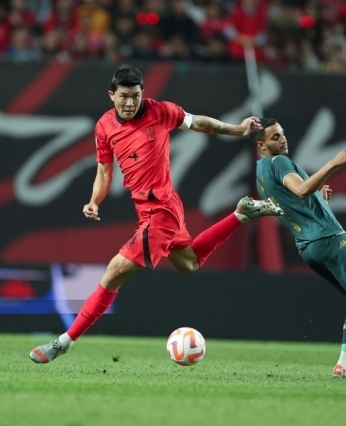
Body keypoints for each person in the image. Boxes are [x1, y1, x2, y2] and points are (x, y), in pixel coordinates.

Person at [29, 65, 283, 363]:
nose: (129, 103)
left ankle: (64, 342)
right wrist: (94, 200)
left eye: (135, 96)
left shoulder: (161, 111)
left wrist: (237, 129)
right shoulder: (104, 127)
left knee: (112, 273)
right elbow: (103, 170)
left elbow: (201, 123)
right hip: (149, 211)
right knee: (188, 264)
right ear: (112, 96)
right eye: (123, 96)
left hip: (161, 209)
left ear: (142, 94)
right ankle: (241, 214)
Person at [250, 118, 346, 381]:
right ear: (262, 145)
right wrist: (333, 163)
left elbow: (292, 202)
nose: (283, 139)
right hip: (328, 237)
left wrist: (318, 199)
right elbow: (301, 190)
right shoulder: (278, 162)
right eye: (275, 137)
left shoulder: (261, 172)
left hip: (308, 246)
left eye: (282, 133)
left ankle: (344, 361)